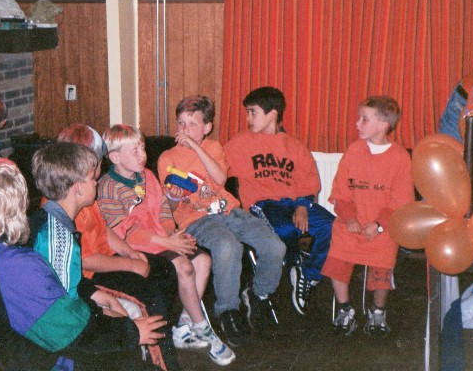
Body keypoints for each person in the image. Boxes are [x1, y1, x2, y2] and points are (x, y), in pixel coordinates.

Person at [0, 157, 166, 370]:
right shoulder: (16, 264)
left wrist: (99, 304)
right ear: (19, 202)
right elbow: (69, 331)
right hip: (48, 361)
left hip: (30, 349)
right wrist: (131, 332)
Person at [97, 124, 236, 366]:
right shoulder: (108, 186)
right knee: (184, 266)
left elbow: (163, 210)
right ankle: (203, 328)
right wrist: (166, 242)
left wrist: (173, 233)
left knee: (203, 260)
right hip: (134, 246)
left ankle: (185, 324)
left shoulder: (147, 176)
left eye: (142, 147)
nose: (143, 154)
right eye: (135, 150)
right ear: (115, 158)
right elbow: (124, 232)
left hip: (160, 238)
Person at [157, 95, 286, 345]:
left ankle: (259, 295)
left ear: (207, 127)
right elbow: (169, 208)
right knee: (228, 246)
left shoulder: (214, 147)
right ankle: (228, 310)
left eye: (192, 124)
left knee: (275, 246)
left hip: (230, 212)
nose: (184, 130)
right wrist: (173, 197)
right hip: (196, 219)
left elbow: (220, 179)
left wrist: (196, 147)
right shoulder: (167, 158)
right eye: (181, 123)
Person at [55, 124, 180, 370]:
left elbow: (105, 230)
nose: (99, 168)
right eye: (95, 163)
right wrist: (130, 265)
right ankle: (164, 362)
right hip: (88, 276)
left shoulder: (86, 192)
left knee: (164, 269)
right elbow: (86, 260)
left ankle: (156, 339)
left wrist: (130, 252)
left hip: (107, 259)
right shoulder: (66, 203)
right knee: (149, 298)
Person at [224, 86, 335, 316]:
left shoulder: (294, 146)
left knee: (333, 227)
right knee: (284, 229)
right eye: (247, 113)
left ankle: (307, 275)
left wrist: (302, 205)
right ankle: (293, 266)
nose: (248, 119)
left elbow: (309, 180)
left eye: (253, 112)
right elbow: (217, 167)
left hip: (295, 203)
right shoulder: (241, 142)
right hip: (264, 204)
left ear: (272, 114)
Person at [321, 96, 415, 336]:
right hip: (351, 223)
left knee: (382, 264)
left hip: (382, 228)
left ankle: (378, 311)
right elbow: (340, 192)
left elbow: (400, 202)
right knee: (338, 255)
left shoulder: (400, 158)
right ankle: (345, 308)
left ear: (383, 125)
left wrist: (379, 226)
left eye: (364, 119)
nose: (357, 124)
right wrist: (349, 217)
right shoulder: (354, 151)